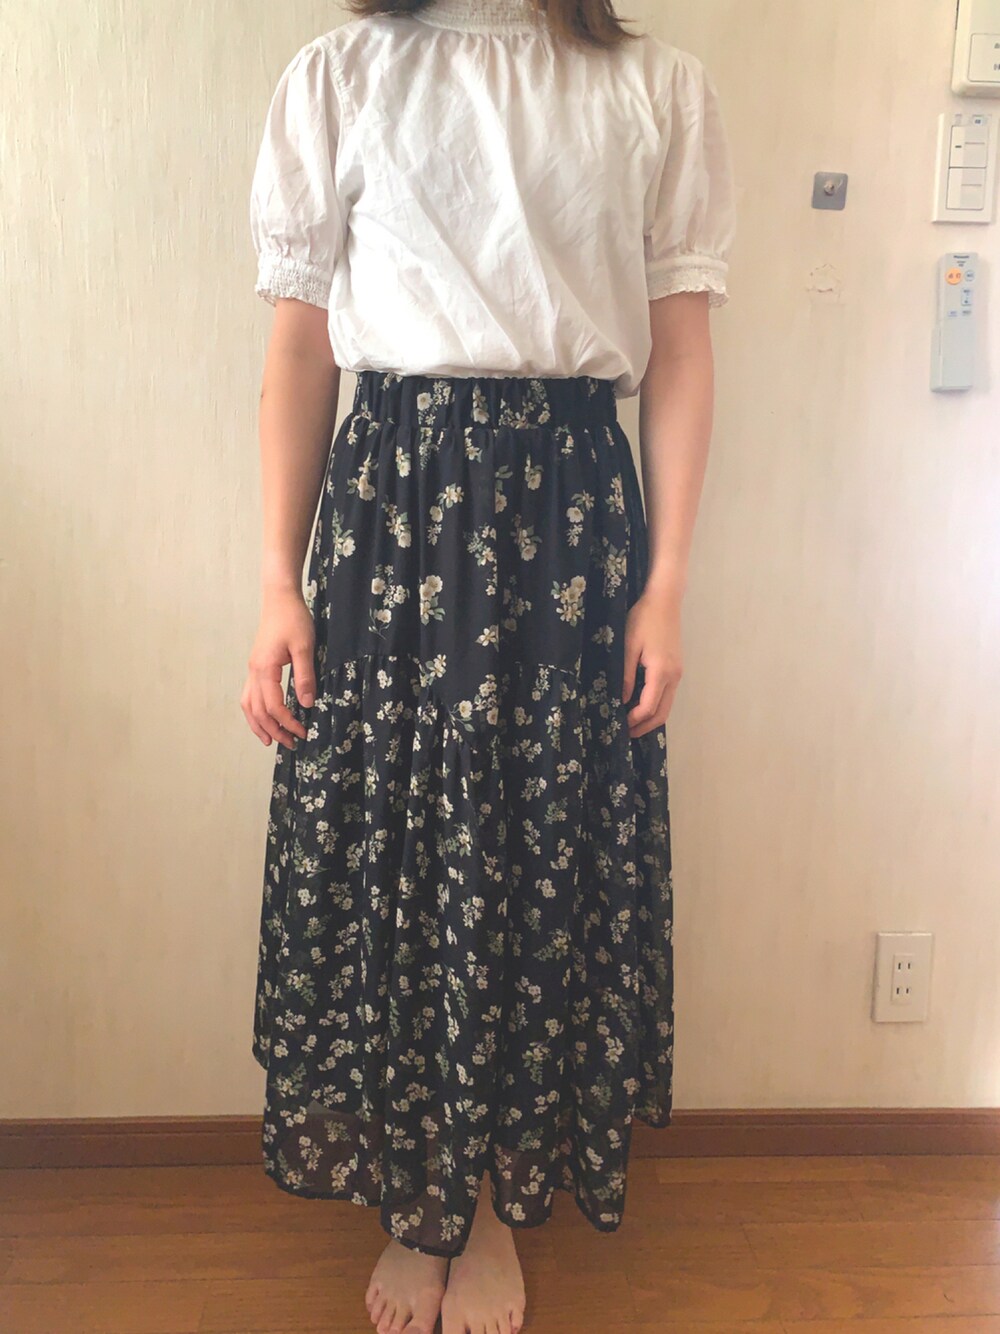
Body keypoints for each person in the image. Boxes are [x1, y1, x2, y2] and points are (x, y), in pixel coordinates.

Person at [241, 0, 736, 1331]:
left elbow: (682, 353)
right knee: (400, 850)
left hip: (569, 525)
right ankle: (418, 1201)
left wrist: (668, 586)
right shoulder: (342, 76)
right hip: (391, 520)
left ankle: (494, 1213)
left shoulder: (655, 91)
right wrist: (277, 582)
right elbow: (299, 348)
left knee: (536, 851)